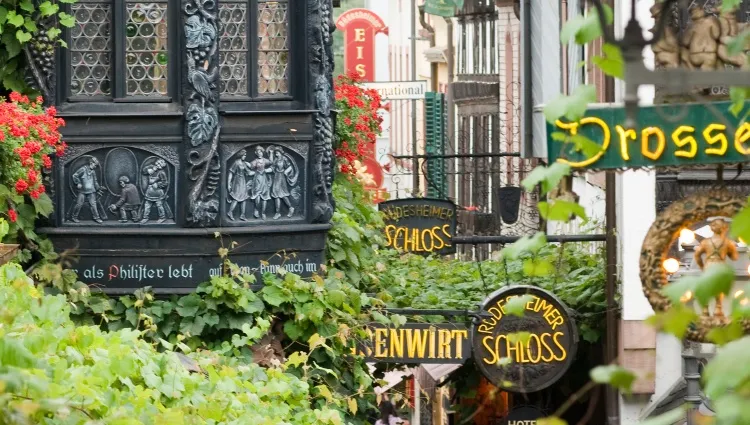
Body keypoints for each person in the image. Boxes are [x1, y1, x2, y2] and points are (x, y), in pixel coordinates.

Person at [694, 217, 738, 317]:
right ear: (725, 228)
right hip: (720, 266)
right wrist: (731, 251)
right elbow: (735, 258)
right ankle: (718, 308)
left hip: (708, 265)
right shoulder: (728, 242)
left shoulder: (705, 242)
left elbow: (697, 255)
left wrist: (701, 266)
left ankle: (705, 309)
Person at [71, 157, 103, 223]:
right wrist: (78, 183)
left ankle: (96, 218)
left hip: (91, 191)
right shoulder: (83, 169)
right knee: (79, 204)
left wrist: (98, 188)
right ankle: (74, 217)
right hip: (82, 191)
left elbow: (95, 181)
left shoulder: (93, 172)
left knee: (93, 204)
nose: (95, 167)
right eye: (95, 165)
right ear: (91, 163)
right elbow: (75, 175)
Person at [269, 147, 298, 219]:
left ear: (280, 152)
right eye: (275, 153)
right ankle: (277, 212)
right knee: (276, 195)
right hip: (276, 177)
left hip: (282, 178)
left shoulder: (284, 159)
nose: (276, 154)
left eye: (277, 153)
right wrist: (264, 170)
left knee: (283, 195)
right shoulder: (276, 159)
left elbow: (290, 167)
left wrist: (286, 172)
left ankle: (290, 208)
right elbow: (272, 167)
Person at [140, 159, 169, 224]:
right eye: (157, 164)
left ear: (162, 166)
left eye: (159, 164)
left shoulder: (161, 172)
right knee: (147, 205)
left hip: (157, 192)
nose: (157, 165)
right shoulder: (152, 168)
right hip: (149, 191)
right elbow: (144, 171)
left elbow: (165, 182)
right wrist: (149, 170)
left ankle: (162, 217)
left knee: (159, 205)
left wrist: (158, 184)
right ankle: (145, 217)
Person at [227, 149, 252, 221]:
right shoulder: (236, 163)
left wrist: (258, 171)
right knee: (236, 197)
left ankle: (242, 215)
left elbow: (249, 172)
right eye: (244, 155)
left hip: (243, 181)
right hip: (237, 182)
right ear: (241, 155)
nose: (245, 156)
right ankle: (230, 212)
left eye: (245, 155)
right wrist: (228, 184)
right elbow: (231, 173)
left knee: (244, 198)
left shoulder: (244, 163)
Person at [248, 146, 273, 220]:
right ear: (256, 153)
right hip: (257, 179)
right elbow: (251, 166)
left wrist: (271, 153)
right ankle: (256, 209)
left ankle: (263, 213)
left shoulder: (265, 160)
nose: (260, 153)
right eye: (258, 152)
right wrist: (246, 164)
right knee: (257, 195)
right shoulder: (255, 161)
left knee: (265, 196)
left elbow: (271, 162)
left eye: (261, 152)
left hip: (264, 179)